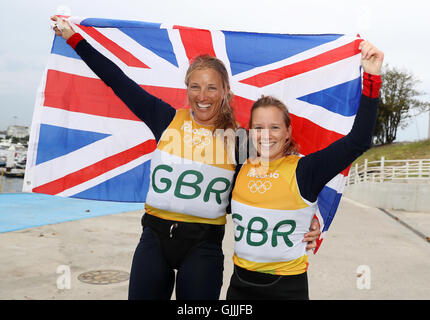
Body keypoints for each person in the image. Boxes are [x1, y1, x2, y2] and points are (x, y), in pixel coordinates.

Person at [50, 15, 320, 300]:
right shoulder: (165, 119)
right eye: (195, 86)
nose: (203, 96)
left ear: (226, 92)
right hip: (154, 238)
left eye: (212, 87)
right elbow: (118, 80)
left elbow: (290, 174)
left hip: (203, 245)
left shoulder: (241, 141)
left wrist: (312, 217)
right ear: (187, 89)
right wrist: (73, 37)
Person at [226, 41, 384, 300]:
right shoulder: (240, 164)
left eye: (275, 127)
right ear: (249, 131)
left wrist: (372, 77)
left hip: (286, 289)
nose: (266, 135)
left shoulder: (305, 169)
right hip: (238, 286)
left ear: (288, 133)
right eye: (258, 128)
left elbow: (359, 141)